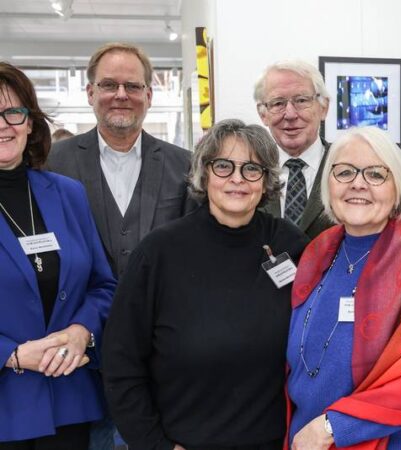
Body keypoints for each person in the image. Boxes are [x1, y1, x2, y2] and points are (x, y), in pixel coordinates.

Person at [102, 119, 308, 450]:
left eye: (251, 168)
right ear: (205, 172)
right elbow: (120, 363)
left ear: (266, 179)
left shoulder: (291, 244)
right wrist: (155, 445)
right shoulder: (159, 252)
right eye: (224, 166)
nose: (237, 179)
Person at [287, 127, 401, 450]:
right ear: (328, 184)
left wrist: (333, 426)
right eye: (344, 172)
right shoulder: (318, 251)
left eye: (375, 174)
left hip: (397, 443)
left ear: (397, 186)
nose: (358, 183)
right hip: (310, 439)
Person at [0, 62, 116, 447]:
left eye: (13, 112)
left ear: (30, 122)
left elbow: (103, 285)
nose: (4, 125)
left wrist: (81, 331)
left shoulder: (67, 194)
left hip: (69, 398)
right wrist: (12, 355)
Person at [48, 42, 195, 281]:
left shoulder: (184, 165)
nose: (121, 95)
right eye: (108, 85)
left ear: (148, 96)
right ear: (90, 93)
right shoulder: (54, 163)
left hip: (159, 312)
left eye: (132, 86)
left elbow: (191, 249)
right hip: (81, 315)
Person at [253, 60, 336, 239]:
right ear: (263, 114)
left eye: (301, 100)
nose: (290, 114)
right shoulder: (248, 172)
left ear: (324, 108)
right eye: (277, 103)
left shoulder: (347, 166)